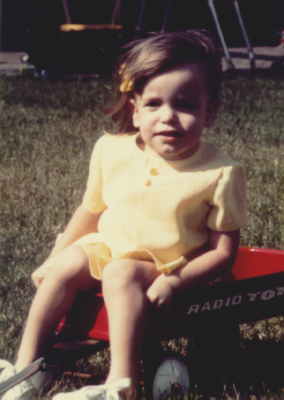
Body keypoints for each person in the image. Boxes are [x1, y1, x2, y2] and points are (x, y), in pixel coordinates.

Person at [0, 30, 247, 400]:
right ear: (134, 108)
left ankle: (122, 384)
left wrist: (177, 281)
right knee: (66, 264)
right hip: (109, 247)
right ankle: (27, 368)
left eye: (186, 104)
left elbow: (223, 252)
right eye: (153, 104)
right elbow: (90, 211)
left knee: (119, 271)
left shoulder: (219, 172)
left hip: (166, 263)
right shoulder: (111, 151)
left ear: (209, 110)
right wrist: (55, 257)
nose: (168, 117)